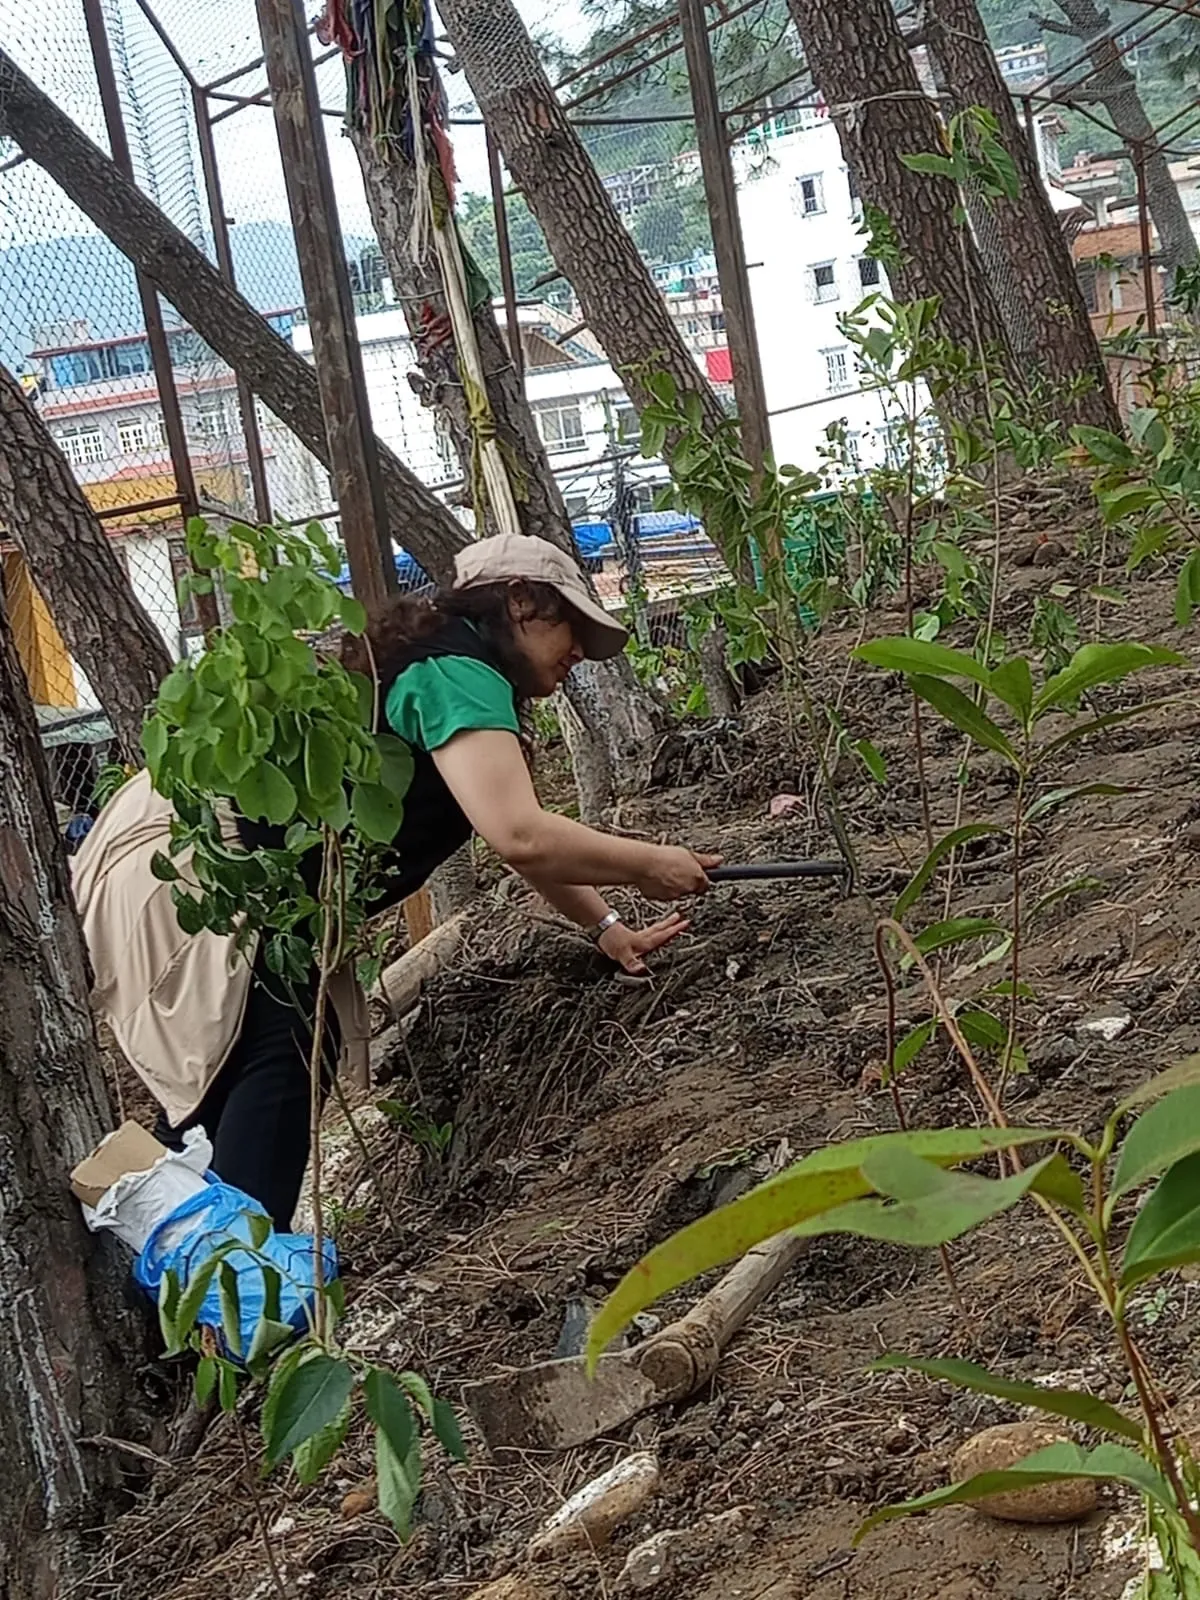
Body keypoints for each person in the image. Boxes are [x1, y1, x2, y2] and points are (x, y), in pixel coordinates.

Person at [73, 534, 719, 1230]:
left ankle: (184, 1277)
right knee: (276, 1060)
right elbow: (520, 832)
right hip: (199, 864)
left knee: (247, 1082)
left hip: (195, 859)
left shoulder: (444, 666)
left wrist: (606, 927)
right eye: (571, 627)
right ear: (519, 602)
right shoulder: (456, 668)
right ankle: (236, 1307)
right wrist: (651, 862)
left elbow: (520, 842)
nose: (580, 653)